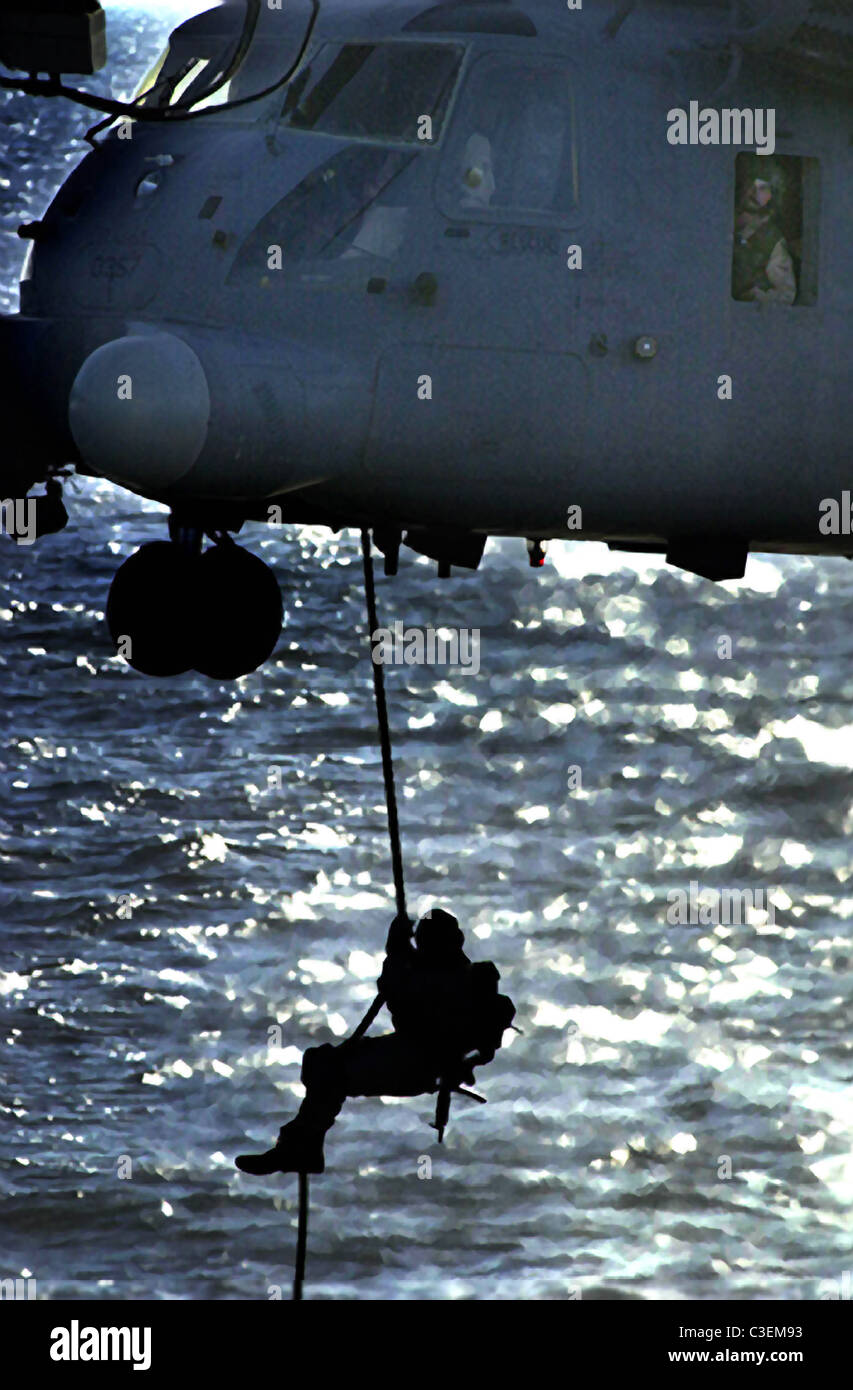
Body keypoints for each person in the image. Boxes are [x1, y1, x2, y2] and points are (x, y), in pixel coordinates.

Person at [235, 908, 515, 1175]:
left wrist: (395, 949)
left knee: (330, 1071)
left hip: (415, 1065)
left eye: (424, 940)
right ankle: (303, 1144)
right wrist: (402, 953)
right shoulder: (449, 973)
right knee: (321, 1061)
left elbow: (399, 995)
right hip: (410, 1055)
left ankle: (301, 1149)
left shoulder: (451, 980)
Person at [732, 160, 797, 305]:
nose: (754, 192)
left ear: (773, 195)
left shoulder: (773, 240)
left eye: (763, 188)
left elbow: (786, 295)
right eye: (751, 185)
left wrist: (755, 297)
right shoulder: (721, 218)